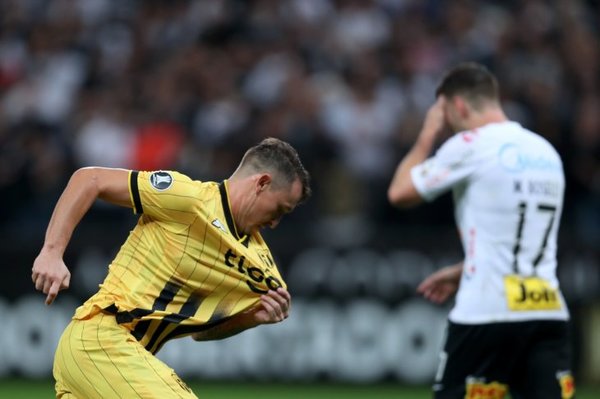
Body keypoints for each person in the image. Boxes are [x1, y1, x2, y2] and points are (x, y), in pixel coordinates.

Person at [31, 137, 311, 398]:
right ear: (262, 183)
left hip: (121, 362)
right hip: (101, 340)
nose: (275, 223)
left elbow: (200, 332)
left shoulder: (260, 269)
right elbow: (89, 179)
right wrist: (52, 252)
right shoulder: (188, 199)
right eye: (279, 210)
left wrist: (250, 318)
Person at [387, 63, 575, 399]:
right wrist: (466, 269)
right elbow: (527, 240)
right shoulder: (546, 152)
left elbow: (399, 193)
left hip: (488, 314)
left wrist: (427, 134)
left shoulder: (471, 145)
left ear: (457, 106)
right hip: (547, 312)